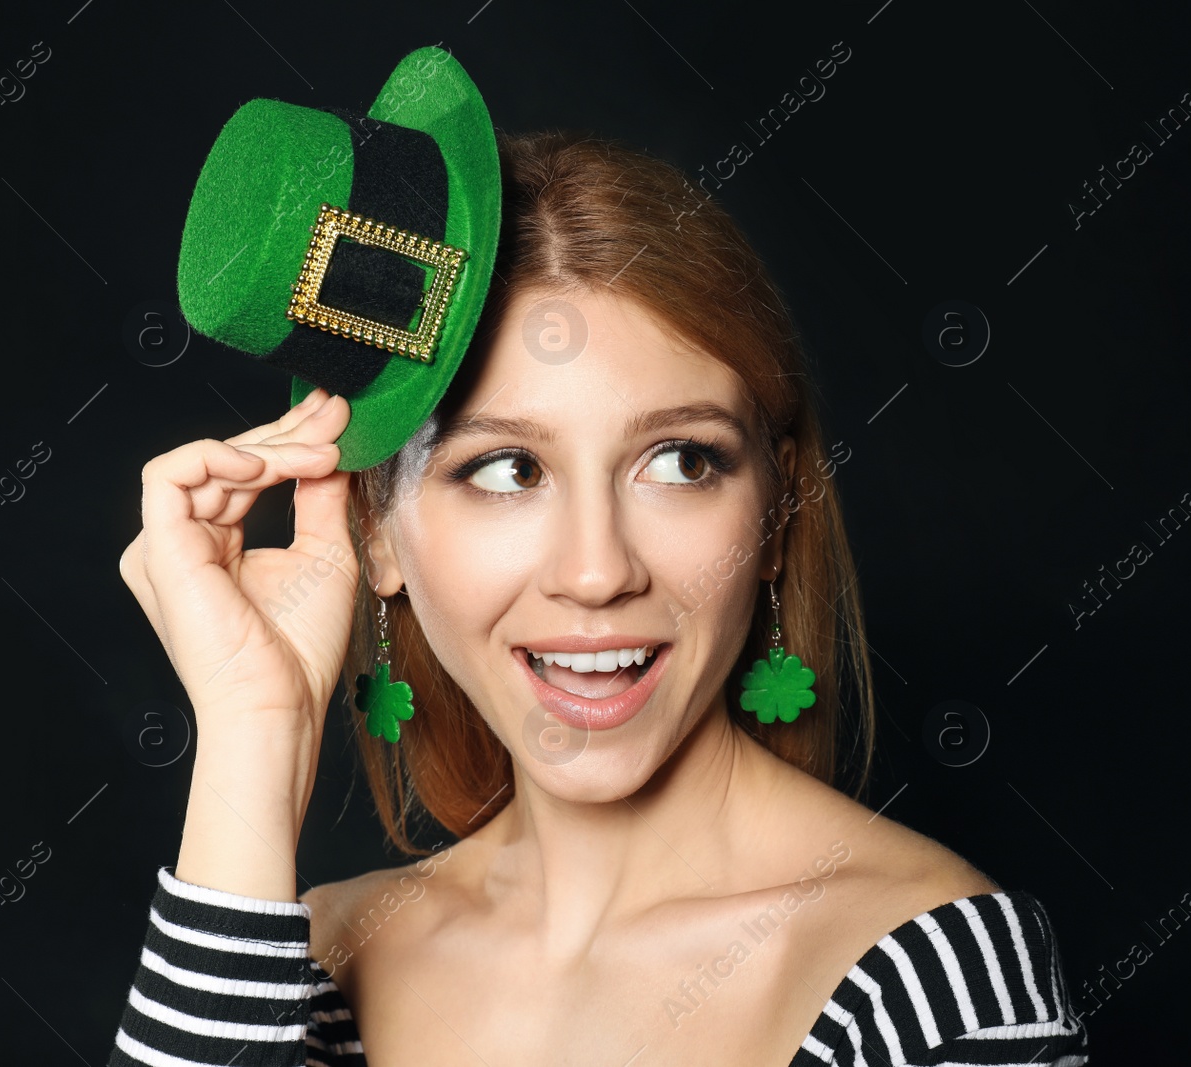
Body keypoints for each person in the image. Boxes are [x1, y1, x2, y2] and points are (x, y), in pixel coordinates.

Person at [108, 48, 1089, 1067]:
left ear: (777, 504)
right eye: (504, 469)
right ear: (375, 531)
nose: (595, 570)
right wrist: (252, 740)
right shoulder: (306, 966)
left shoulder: (933, 984)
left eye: (678, 460)